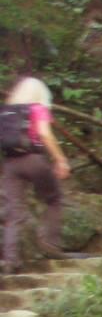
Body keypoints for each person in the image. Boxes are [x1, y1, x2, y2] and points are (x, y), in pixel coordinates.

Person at [1, 77, 72, 275]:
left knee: (12, 213)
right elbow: (45, 134)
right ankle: (51, 244)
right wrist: (60, 159)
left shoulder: (6, 112)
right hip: (33, 160)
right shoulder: (37, 108)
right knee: (53, 199)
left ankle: (10, 261)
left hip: (10, 163)